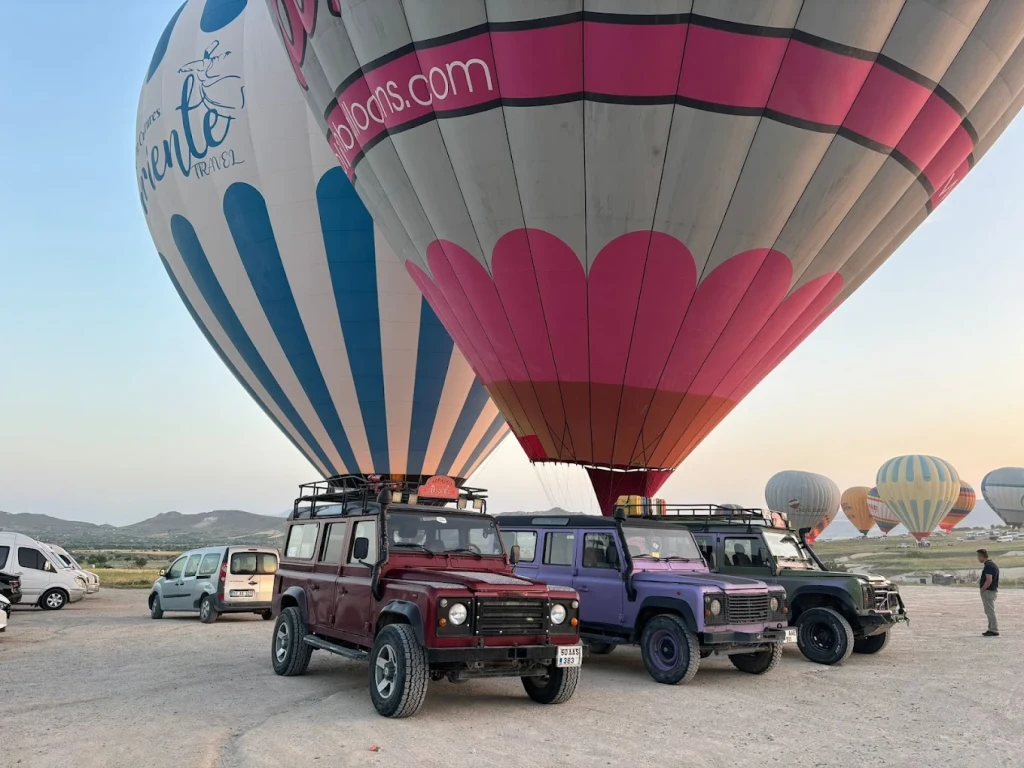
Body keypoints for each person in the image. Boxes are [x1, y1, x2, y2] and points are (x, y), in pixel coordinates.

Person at [977, 549, 1000, 637]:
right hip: (990, 591)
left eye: (978, 556)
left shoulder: (989, 566)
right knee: (988, 611)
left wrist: (982, 589)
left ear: (982, 556)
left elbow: (989, 580)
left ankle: (994, 629)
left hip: (989, 591)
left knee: (990, 611)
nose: (978, 558)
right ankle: (991, 628)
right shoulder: (990, 565)